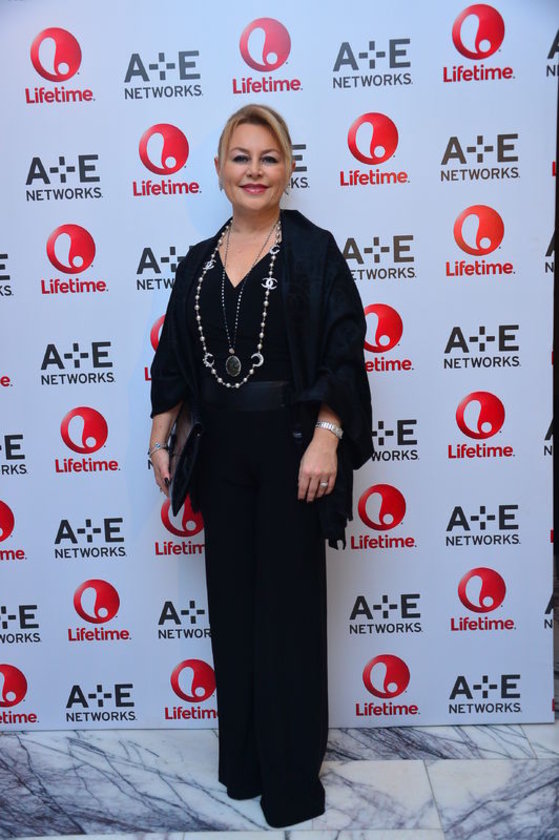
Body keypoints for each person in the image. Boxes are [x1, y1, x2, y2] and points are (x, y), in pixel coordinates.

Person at [148, 104, 372, 828]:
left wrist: (327, 436)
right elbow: (174, 358)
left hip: (291, 449)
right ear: (219, 169)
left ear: (287, 169)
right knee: (234, 612)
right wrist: (160, 434)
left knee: (288, 615)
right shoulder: (198, 261)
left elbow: (344, 350)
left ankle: (290, 782)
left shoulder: (311, 251)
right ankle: (242, 765)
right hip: (220, 454)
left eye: (268, 157)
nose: (253, 171)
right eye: (240, 157)